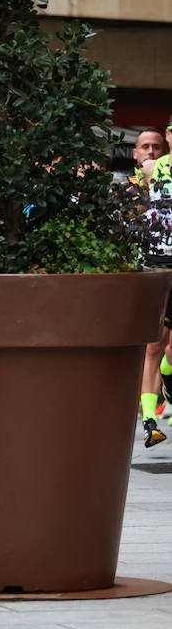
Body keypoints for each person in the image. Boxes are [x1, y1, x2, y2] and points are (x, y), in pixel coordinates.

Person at [135, 124, 172, 446]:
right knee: (153, 344)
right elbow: (133, 205)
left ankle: (168, 381)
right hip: (156, 266)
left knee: (169, 350)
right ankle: (150, 422)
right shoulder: (150, 169)